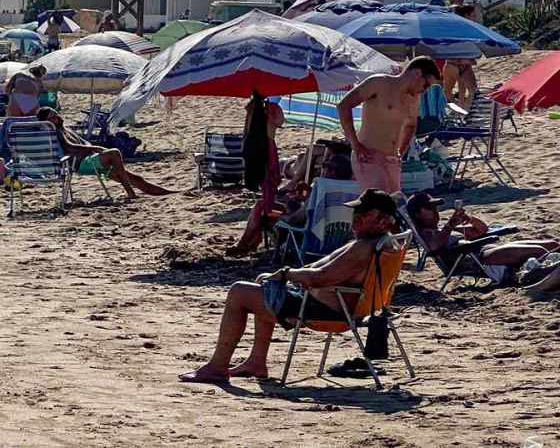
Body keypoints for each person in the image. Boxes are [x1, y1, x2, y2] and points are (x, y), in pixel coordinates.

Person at [180, 189, 402, 383]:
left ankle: (218, 367)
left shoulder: (364, 248)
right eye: (356, 211)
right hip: (342, 305)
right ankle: (256, 362)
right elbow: (319, 266)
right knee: (266, 284)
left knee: (239, 292)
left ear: (384, 220)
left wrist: (287, 274)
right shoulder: (383, 242)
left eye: (364, 213)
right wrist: (286, 275)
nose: (356, 217)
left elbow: (319, 278)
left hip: (324, 310)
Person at [337, 57, 440, 193]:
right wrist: (355, 144)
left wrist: (400, 153)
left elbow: (410, 126)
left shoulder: (413, 97)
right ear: (417, 74)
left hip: (392, 158)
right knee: (378, 204)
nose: (424, 91)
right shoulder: (379, 83)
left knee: (391, 205)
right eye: (426, 85)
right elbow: (344, 106)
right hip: (369, 155)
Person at [406, 193, 557, 284]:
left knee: (552, 244)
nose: (435, 211)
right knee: (540, 251)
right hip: (478, 258)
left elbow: (482, 229)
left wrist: (469, 218)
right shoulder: (426, 234)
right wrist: (450, 225)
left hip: (486, 249)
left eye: (436, 208)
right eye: (430, 208)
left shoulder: (442, 230)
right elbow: (434, 247)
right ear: (417, 214)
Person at [37, 109, 176, 198]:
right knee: (114, 153)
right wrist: (97, 148)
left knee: (137, 179)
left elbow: (84, 143)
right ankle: (130, 193)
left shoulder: (65, 128)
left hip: (90, 159)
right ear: (47, 122)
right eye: (52, 117)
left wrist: (92, 147)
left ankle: (172, 193)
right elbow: (70, 147)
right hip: (81, 163)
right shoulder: (56, 132)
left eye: (55, 113)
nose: (56, 116)